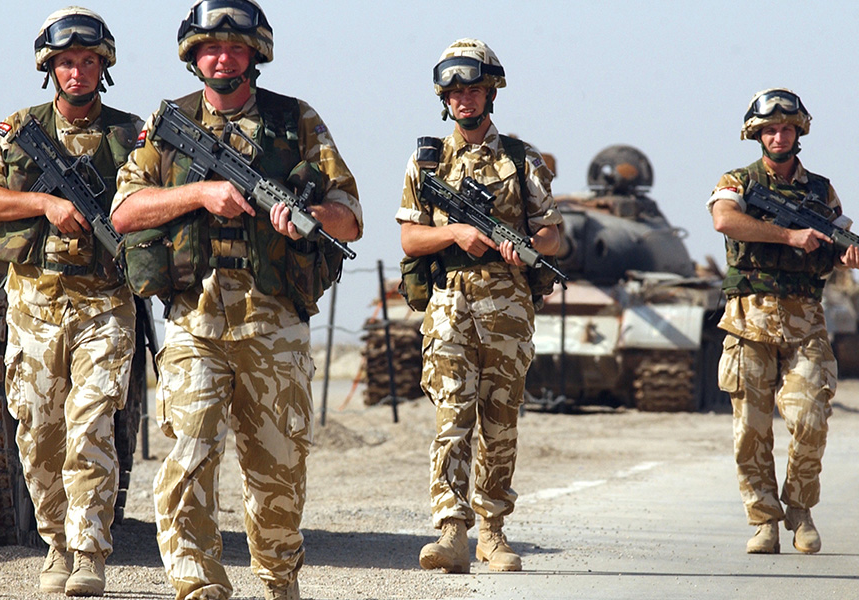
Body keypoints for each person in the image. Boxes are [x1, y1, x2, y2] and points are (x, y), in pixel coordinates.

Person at [110, 2, 361, 599]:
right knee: (190, 457)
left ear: (256, 56)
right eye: (210, 49)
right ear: (193, 57)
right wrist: (200, 193)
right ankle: (197, 586)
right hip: (194, 321)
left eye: (235, 48)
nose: (222, 58)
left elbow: (349, 218)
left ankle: (278, 580)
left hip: (272, 322)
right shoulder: (168, 124)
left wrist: (307, 220)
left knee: (277, 470)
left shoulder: (296, 120)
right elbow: (124, 212)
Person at [0, 6, 141, 596]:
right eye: (67, 62)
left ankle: (89, 551)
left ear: (103, 67)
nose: (77, 72)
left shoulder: (130, 135)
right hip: (35, 306)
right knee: (39, 433)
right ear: (50, 67)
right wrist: (43, 205)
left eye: (88, 61)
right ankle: (57, 545)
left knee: (90, 425)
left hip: (105, 307)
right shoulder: (19, 128)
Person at [397, 38, 563, 574]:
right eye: (455, 92)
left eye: (474, 89)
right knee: (451, 416)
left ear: (492, 92)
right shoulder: (427, 159)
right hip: (448, 302)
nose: (464, 100)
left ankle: (492, 531)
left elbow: (554, 236)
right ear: (444, 99)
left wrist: (525, 244)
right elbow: (409, 240)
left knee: (500, 418)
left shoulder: (521, 159)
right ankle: (451, 532)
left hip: (507, 302)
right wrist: (459, 232)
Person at [708, 88, 859, 555]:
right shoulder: (736, 180)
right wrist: (789, 235)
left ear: (799, 133)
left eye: (786, 129)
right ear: (756, 135)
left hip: (804, 323)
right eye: (769, 130)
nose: (779, 136)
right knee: (750, 433)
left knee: (811, 420)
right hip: (747, 323)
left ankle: (799, 509)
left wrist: (849, 257)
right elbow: (724, 221)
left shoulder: (821, 190)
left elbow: (835, 244)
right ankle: (764, 522)